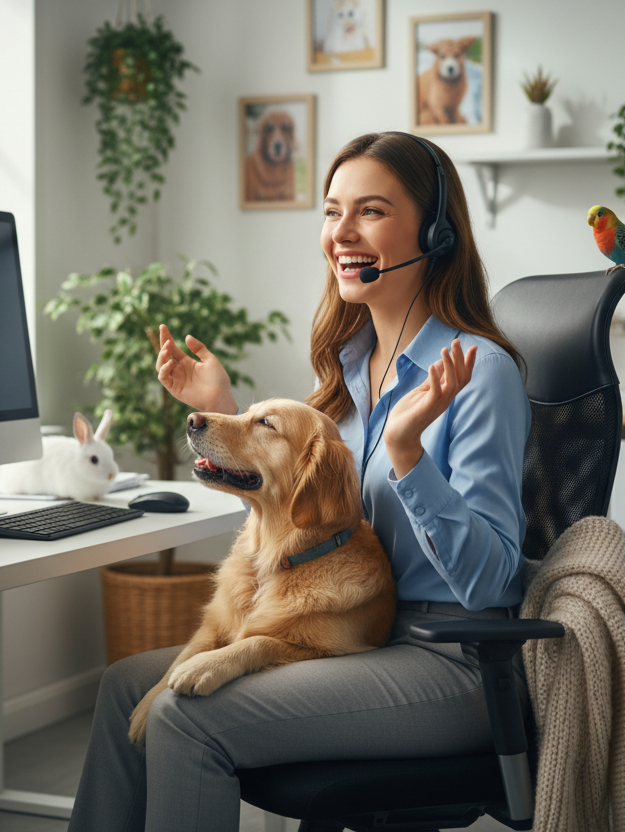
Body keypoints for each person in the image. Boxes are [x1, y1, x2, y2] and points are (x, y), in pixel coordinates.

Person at [67, 131, 531, 832]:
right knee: (123, 684)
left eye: (370, 211)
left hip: (448, 662)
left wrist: (408, 452)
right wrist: (226, 414)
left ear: (435, 233)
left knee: (185, 715)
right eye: (331, 211)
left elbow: (493, 583)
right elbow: (314, 500)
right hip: (346, 635)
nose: (340, 233)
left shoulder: (478, 373)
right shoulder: (352, 366)